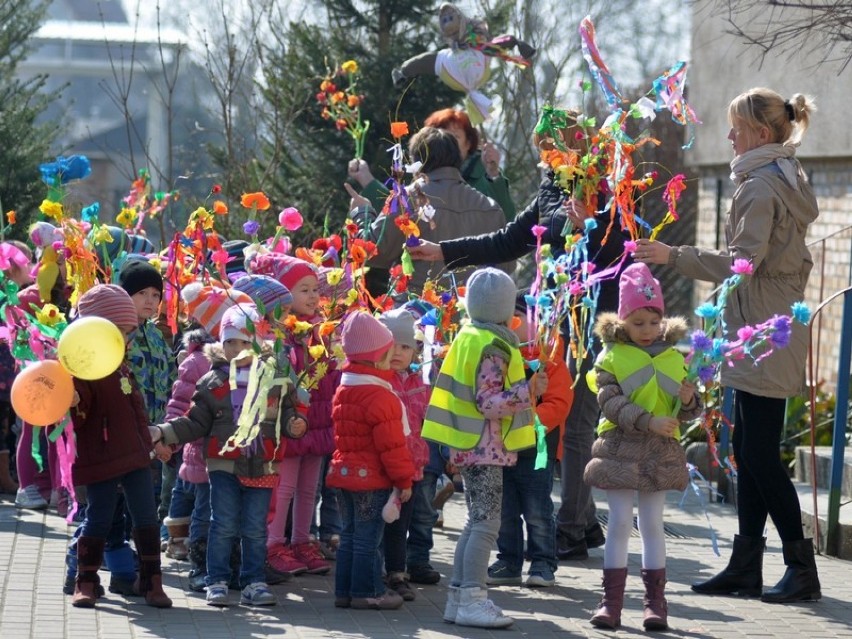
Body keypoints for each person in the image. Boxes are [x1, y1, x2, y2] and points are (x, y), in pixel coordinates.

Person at [409, 113, 628, 560]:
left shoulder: (609, 188)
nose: (543, 157)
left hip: (592, 320)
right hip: (551, 317)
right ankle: (582, 524)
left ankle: (569, 527)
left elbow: (625, 251)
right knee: (558, 420)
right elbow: (511, 239)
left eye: (550, 147)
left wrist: (591, 222)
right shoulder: (552, 186)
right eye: (540, 149)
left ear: (575, 144)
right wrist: (446, 250)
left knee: (577, 421)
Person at [636, 87, 822, 604]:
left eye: (735, 128)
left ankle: (800, 565)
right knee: (747, 449)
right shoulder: (778, 175)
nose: (728, 136)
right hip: (761, 329)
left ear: (761, 134)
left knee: (759, 455)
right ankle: (746, 565)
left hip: (762, 333)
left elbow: (741, 264)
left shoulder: (760, 186)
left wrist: (672, 255)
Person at [152, 304, 307, 607]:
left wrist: (295, 424)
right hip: (224, 466)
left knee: (254, 527)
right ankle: (217, 579)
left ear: (258, 342)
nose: (237, 349)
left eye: (245, 342)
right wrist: (164, 433)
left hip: (262, 465)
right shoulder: (213, 382)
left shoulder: (275, 379)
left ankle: (253, 581)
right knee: (221, 523)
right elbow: (195, 422)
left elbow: (288, 415)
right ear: (221, 344)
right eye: (230, 342)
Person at [583, 263, 702, 630]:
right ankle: (611, 603)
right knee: (619, 523)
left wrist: (688, 400)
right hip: (620, 448)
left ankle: (656, 606)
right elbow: (611, 402)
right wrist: (648, 421)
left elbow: (688, 409)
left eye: (653, 321)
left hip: (659, 452)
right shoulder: (611, 357)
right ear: (623, 321)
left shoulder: (674, 357)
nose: (647, 330)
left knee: (652, 524)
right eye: (638, 323)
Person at [422, 267, 538, 629]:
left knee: (476, 522)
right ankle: (473, 596)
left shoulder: (469, 335)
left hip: (467, 443)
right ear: (504, 309)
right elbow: (488, 402)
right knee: (487, 524)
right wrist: (527, 392)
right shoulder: (494, 346)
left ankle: (458, 597)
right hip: (483, 445)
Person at [68, 284, 171, 609]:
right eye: (121, 332)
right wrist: (73, 401)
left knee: (145, 517)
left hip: (136, 457)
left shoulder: (123, 365)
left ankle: (152, 580)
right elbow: (80, 414)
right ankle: (85, 580)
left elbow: (136, 414)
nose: (127, 340)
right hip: (102, 457)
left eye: (128, 333)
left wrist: (150, 445)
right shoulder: (83, 369)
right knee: (98, 517)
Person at [351, 126, 512, 295]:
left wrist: (362, 213)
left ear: (416, 162)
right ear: (458, 159)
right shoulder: (490, 207)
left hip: (417, 313)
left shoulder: (407, 199)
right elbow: (507, 266)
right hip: (473, 315)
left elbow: (373, 251)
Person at [326, 311, 415, 611]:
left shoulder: (345, 388)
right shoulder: (381, 396)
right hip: (372, 480)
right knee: (367, 539)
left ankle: (345, 590)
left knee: (349, 535)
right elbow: (392, 447)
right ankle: (368, 590)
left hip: (343, 474)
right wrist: (404, 480)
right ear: (377, 358)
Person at [259, 254, 337, 577]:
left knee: (310, 489)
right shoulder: (281, 334)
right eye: (303, 289)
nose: (312, 296)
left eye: (315, 289)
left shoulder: (321, 331)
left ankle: (303, 541)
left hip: (318, 421)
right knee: (285, 487)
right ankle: (273, 545)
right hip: (291, 423)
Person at [487, 294, 572, 588]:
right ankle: (508, 560)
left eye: (516, 318)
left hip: (537, 447)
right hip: (502, 446)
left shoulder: (550, 356)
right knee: (505, 507)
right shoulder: (497, 356)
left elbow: (559, 402)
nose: (509, 325)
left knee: (537, 509)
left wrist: (523, 424)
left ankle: (542, 561)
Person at [348, 108, 515, 221]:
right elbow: (398, 213)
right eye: (441, 135)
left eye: (455, 137)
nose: (446, 142)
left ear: (469, 143)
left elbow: (505, 219)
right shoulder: (423, 176)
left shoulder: (484, 177)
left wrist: (493, 174)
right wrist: (367, 179)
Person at [377, 308, 431, 601]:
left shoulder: (420, 381)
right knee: (376, 525)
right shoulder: (377, 379)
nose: (398, 352)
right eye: (392, 345)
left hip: (412, 468)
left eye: (406, 346)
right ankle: (374, 571)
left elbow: (428, 421)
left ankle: (397, 573)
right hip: (381, 467)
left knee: (400, 525)